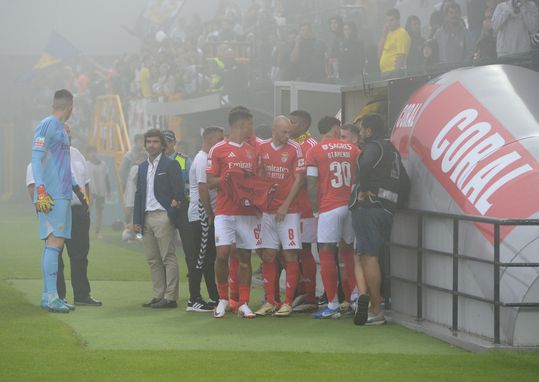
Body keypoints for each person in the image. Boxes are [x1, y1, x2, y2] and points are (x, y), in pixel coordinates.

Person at [206, 106, 259, 319]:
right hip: (225, 211)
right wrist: (224, 179)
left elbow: (256, 180)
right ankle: (223, 299)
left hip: (247, 212)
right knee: (222, 254)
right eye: (250, 124)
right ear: (242, 124)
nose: (251, 128)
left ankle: (243, 303)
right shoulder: (218, 149)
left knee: (245, 256)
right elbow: (210, 182)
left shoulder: (252, 151)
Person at [306, 116, 361, 319]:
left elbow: (311, 183)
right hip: (350, 205)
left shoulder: (315, 151)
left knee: (326, 253)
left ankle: (332, 305)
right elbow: (360, 176)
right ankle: (355, 297)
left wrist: (315, 210)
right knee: (348, 251)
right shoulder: (353, 149)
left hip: (329, 207)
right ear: (335, 128)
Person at [31, 89, 79, 313]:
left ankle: (47, 295)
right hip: (51, 194)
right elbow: (36, 156)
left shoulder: (61, 129)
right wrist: (41, 190)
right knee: (55, 243)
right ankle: (51, 297)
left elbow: (62, 162)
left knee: (55, 243)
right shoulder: (48, 124)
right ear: (70, 107)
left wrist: (76, 187)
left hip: (62, 193)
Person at [349, 113, 398, 326]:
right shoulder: (391, 149)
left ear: (369, 131)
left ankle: (376, 309)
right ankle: (371, 301)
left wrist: (365, 190)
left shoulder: (372, 148)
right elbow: (404, 180)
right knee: (370, 256)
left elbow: (366, 166)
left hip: (370, 207)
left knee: (368, 256)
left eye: (361, 130)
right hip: (387, 207)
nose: (359, 134)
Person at [254, 116, 306, 317]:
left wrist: (285, 205)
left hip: (288, 212)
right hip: (267, 212)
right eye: (284, 132)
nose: (288, 135)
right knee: (268, 255)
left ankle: (287, 302)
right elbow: (258, 175)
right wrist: (260, 202)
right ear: (274, 130)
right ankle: (270, 301)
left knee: (290, 254)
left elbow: (299, 179)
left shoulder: (295, 149)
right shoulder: (263, 148)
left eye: (289, 132)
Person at [133, 129, 185, 309]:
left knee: (168, 257)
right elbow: (139, 194)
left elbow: (179, 192)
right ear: (145, 144)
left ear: (162, 145)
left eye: (155, 142)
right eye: (148, 142)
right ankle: (158, 295)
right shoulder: (142, 167)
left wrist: (171, 211)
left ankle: (170, 297)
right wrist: (137, 220)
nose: (151, 145)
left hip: (163, 216)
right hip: (146, 216)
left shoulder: (171, 165)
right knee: (152, 259)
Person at [185, 126, 224, 312]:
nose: (222, 142)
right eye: (219, 139)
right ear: (209, 140)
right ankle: (194, 299)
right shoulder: (203, 159)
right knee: (200, 258)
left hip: (204, 213)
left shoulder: (206, 158)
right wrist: (209, 214)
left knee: (208, 257)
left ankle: (214, 296)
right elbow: (203, 188)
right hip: (201, 214)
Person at [289, 110, 318, 312]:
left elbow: (312, 181)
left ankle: (310, 294)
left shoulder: (311, 146)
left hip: (306, 208)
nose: (289, 125)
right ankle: (299, 290)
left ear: (303, 124)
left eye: (293, 122)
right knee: (292, 250)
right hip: (290, 207)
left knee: (305, 249)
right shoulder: (290, 145)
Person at [86, 146, 111, 240]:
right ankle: (85, 231)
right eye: (90, 152)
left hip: (101, 191)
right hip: (90, 191)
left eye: (94, 152)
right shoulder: (86, 164)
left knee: (99, 211)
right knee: (88, 211)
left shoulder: (103, 164)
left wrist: (108, 191)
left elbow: (107, 177)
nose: (93, 154)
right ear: (87, 154)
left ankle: (98, 232)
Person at [378, 8, 411, 76]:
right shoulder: (388, 33)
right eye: (387, 20)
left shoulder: (401, 33)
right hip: (385, 72)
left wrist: (395, 75)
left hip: (395, 73)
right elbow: (379, 53)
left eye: (391, 20)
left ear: (398, 20)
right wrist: (384, 35)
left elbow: (401, 56)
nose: (389, 23)